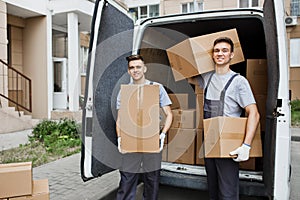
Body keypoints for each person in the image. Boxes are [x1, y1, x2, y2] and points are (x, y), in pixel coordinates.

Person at [198, 37, 260, 199]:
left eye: (225, 51)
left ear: (232, 55)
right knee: (213, 190)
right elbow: (184, 73)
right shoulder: (206, 78)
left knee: (228, 193)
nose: (220, 54)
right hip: (210, 142)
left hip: (228, 146)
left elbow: (254, 113)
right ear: (212, 55)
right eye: (216, 51)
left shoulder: (239, 82)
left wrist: (246, 145)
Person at [115, 54, 173, 200]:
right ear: (128, 71)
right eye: (132, 68)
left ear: (144, 68)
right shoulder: (124, 91)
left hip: (151, 139)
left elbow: (169, 114)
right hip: (130, 140)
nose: (135, 70)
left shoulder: (156, 88)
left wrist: (163, 135)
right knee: (127, 179)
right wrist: (120, 138)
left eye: (138, 67)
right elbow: (120, 118)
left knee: (152, 179)